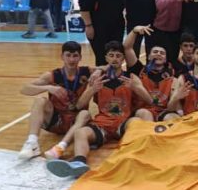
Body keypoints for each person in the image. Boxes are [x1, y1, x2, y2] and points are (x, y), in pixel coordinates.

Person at [46, 40, 150, 178]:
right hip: (103, 123)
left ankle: (137, 158)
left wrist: (136, 88)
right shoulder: (96, 79)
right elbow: (79, 105)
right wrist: (92, 90)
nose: (115, 59)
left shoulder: (131, 78)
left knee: (137, 124)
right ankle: (79, 163)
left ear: (123, 59)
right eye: (111, 55)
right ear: (106, 58)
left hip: (123, 121)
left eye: (118, 55)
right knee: (80, 133)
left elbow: (149, 100)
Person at [18, 41, 92, 160]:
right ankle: (32, 143)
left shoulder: (87, 72)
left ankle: (60, 147)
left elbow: (106, 67)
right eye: (68, 55)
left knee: (85, 113)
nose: (71, 59)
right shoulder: (52, 75)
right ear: (62, 56)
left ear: (80, 57)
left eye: (75, 56)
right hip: (56, 120)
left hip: (76, 120)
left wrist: (98, 72)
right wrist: (48, 87)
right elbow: (24, 89)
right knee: (40, 101)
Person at [123, 26, 180, 122]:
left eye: (162, 53)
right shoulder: (139, 69)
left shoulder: (173, 73)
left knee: (173, 118)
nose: (158, 54)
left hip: (164, 111)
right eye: (155, 52)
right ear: (149, 56)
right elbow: (127, 48)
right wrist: (134, 31)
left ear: (165, 59)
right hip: (144, 109)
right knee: (145, 114)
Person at [151, 0, 190, 68]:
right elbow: (160, 3)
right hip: (161, 31)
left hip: (176, 31)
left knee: (173, 61)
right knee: (161, 61)